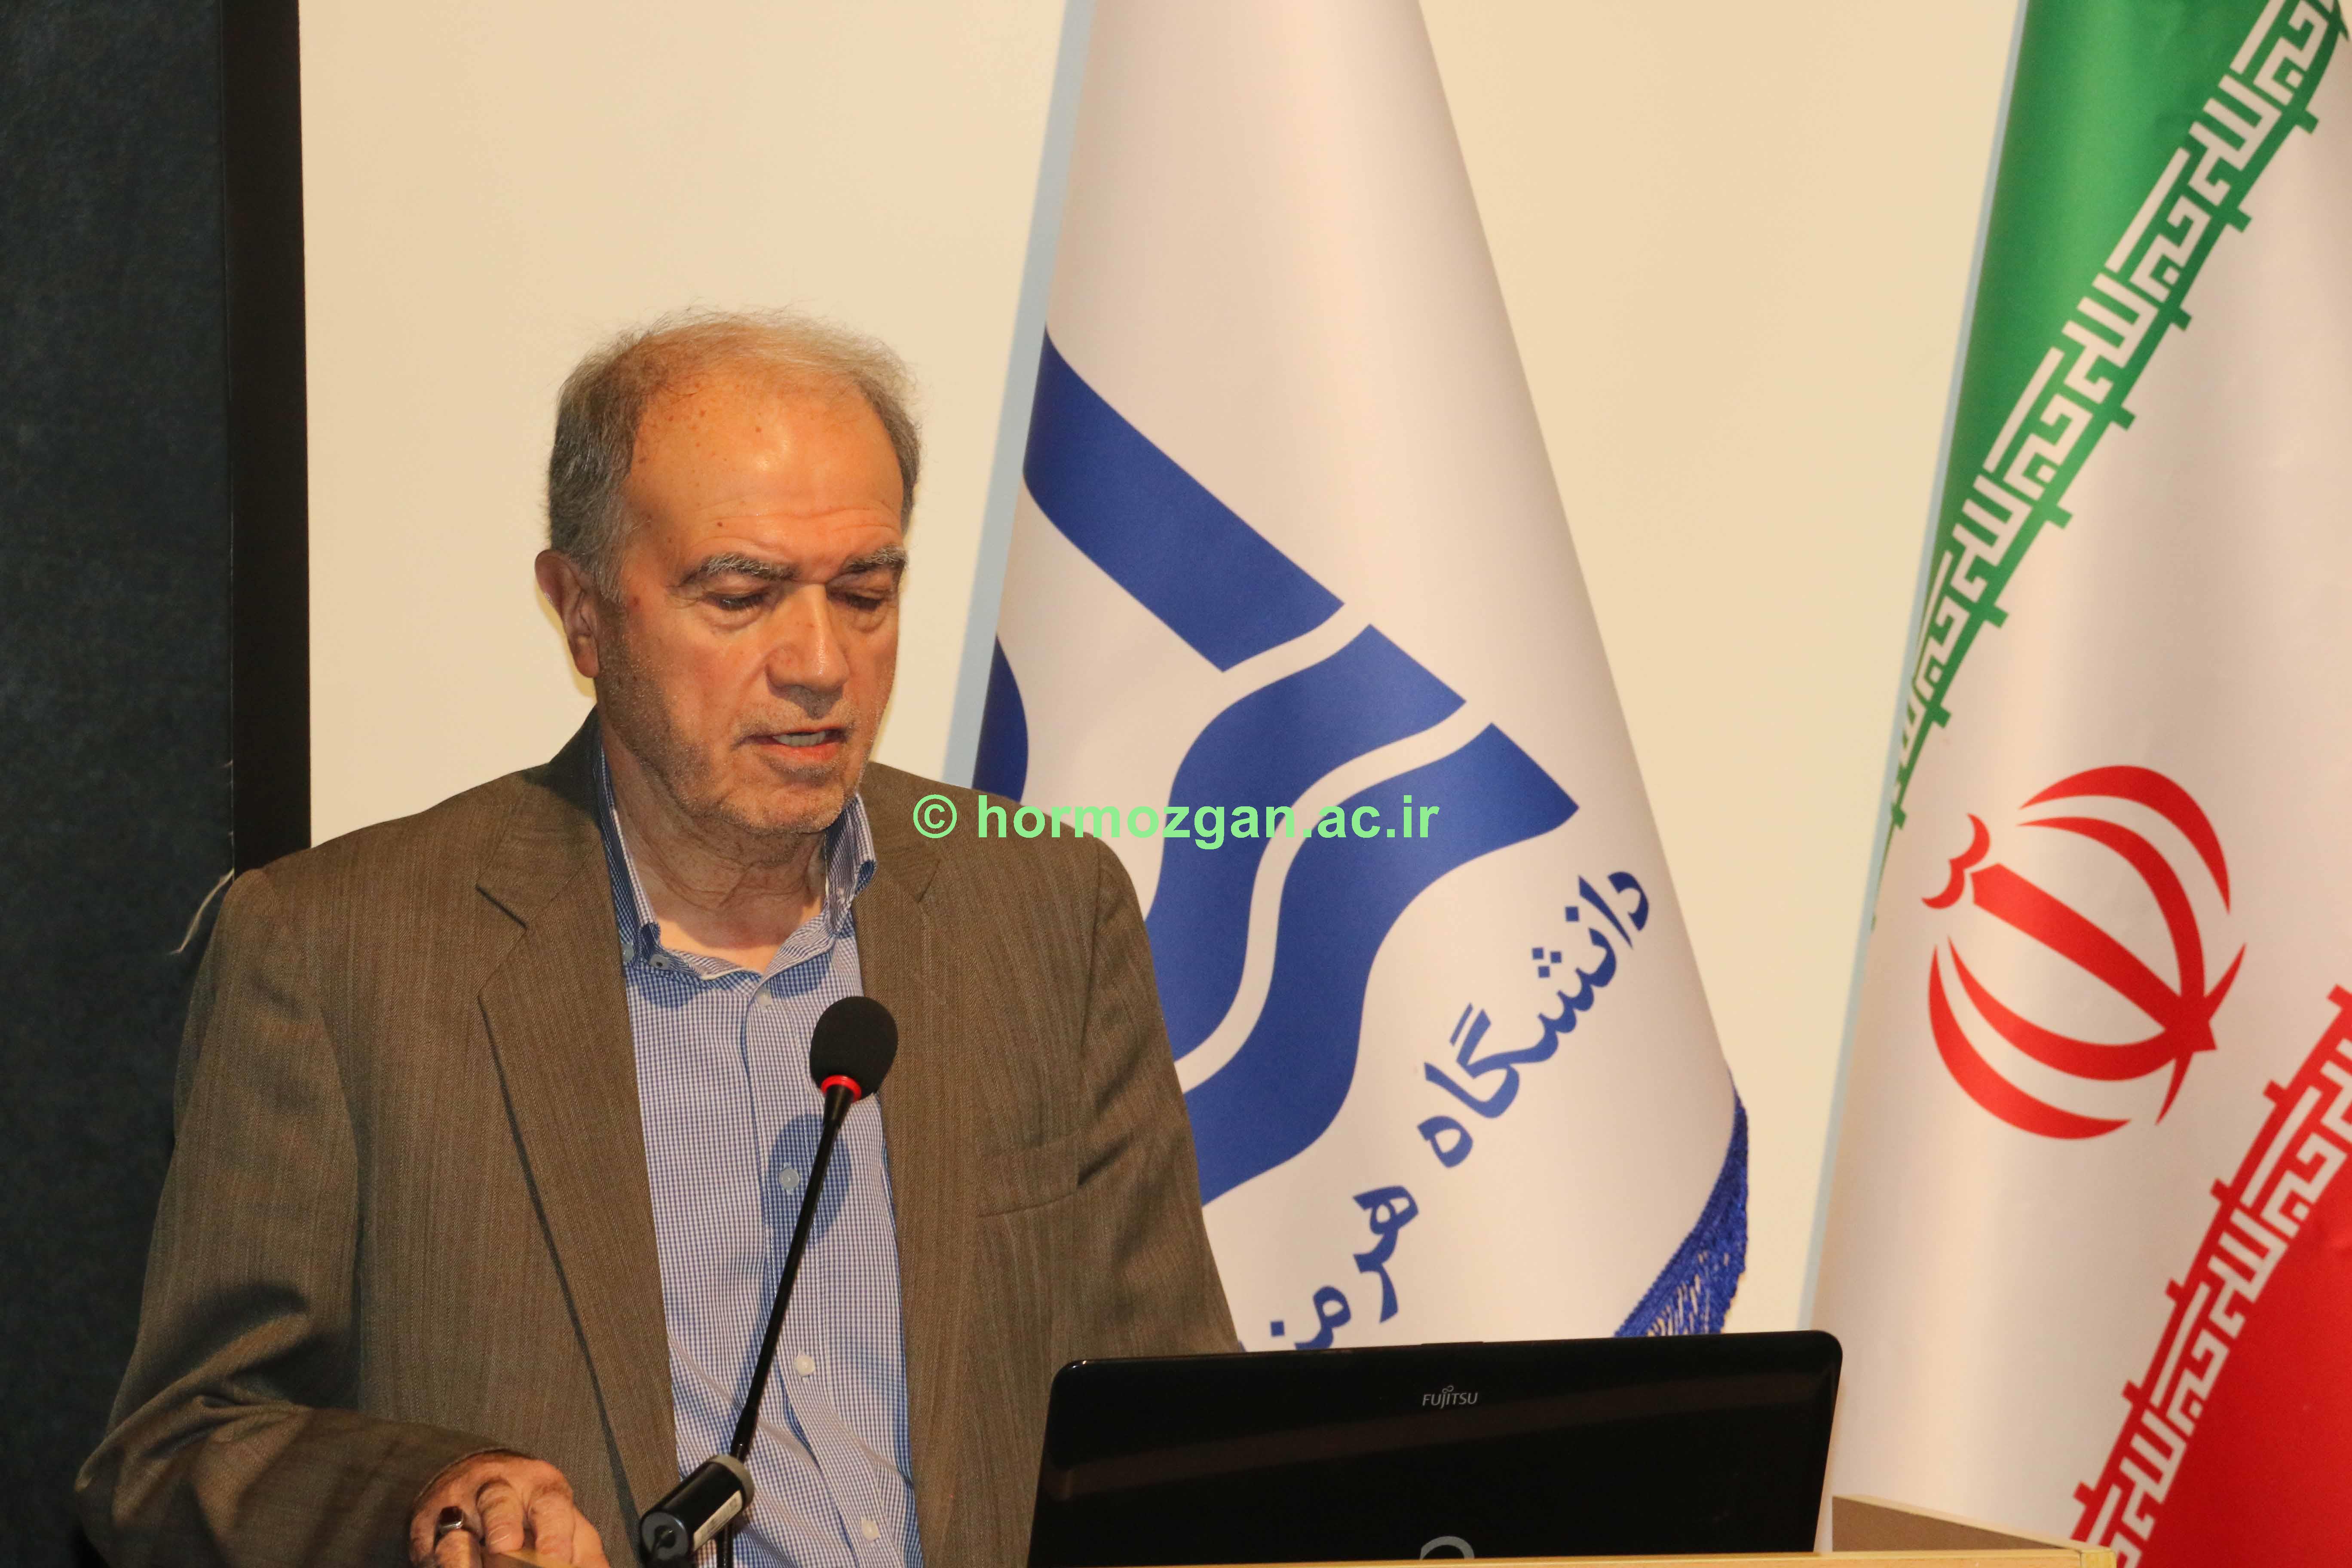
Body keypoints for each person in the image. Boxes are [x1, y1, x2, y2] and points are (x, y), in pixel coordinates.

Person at [76, 311, 1237, 1568]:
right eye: (740, 596)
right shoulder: (336, 952)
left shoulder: (1043, 910)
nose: (821, 662)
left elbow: (1179, 1431)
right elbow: (181, 1451)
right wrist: (434, 1494)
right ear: (581, 614)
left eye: (866, 592)